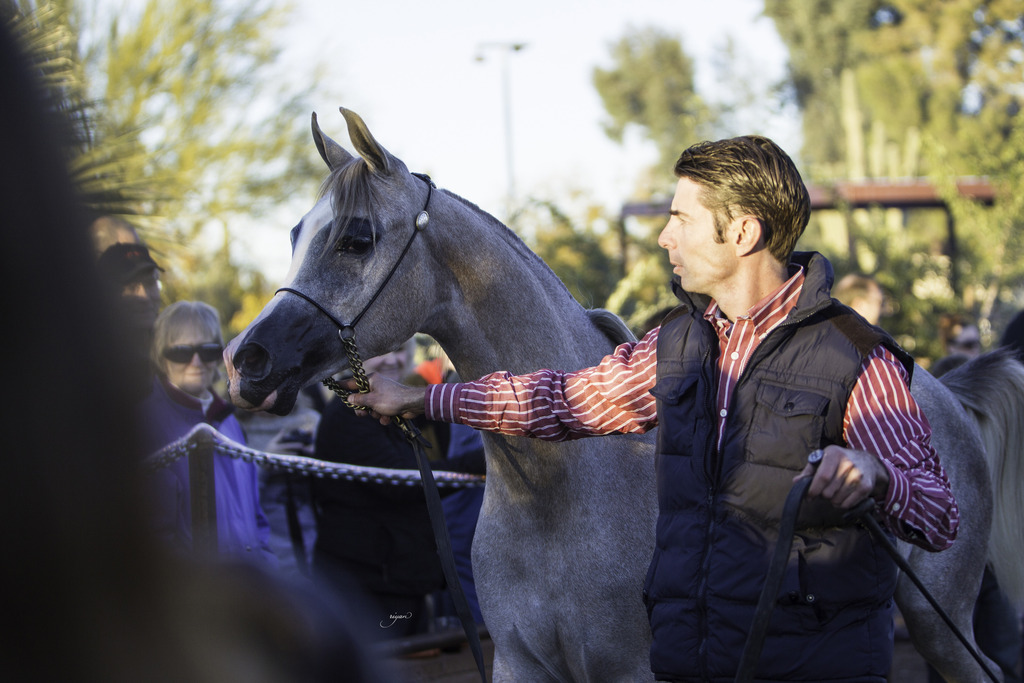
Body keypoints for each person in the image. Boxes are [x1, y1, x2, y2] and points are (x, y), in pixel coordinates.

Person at [345, 135, 959, 681]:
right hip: (693, 662)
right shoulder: (676, 345)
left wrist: (877, 478)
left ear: (742, 233)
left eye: (681, 219)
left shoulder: (859, 357)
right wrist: (423, 397)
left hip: (813, 665)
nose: (665, 236)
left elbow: (938, 515)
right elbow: (561, 400)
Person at [310, 341, 484, 639]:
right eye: (378, 350)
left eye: (399, 348)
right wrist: (483, 461)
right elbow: (402, 483)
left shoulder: (403, 412)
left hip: (406, 579)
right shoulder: (347, 414)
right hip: (364, 587)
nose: (390, 358)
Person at [140, 300, 277, 567]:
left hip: (251, 587)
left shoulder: (229, 421)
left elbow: (256, 515)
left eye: (208, 350)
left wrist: (266, 566)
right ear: (161, 355)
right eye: (181, 351)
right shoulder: (145, 424)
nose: (196, 362)